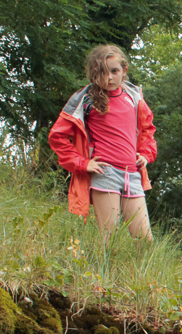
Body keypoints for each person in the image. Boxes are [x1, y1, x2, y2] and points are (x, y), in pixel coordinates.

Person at [49, 44, 157, 244]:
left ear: (124, 70)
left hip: (132, 174)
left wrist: (145, 153)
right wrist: (82, 163)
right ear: (93, 73)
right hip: (104, 174)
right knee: (110, 241)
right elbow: (57, 136)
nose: (109, 78)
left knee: (145, 242)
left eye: (114, 71)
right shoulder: (85, 99)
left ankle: (143, 277)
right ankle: (101, 276)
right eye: (103, 72)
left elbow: (147, 129)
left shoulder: (134, 97)